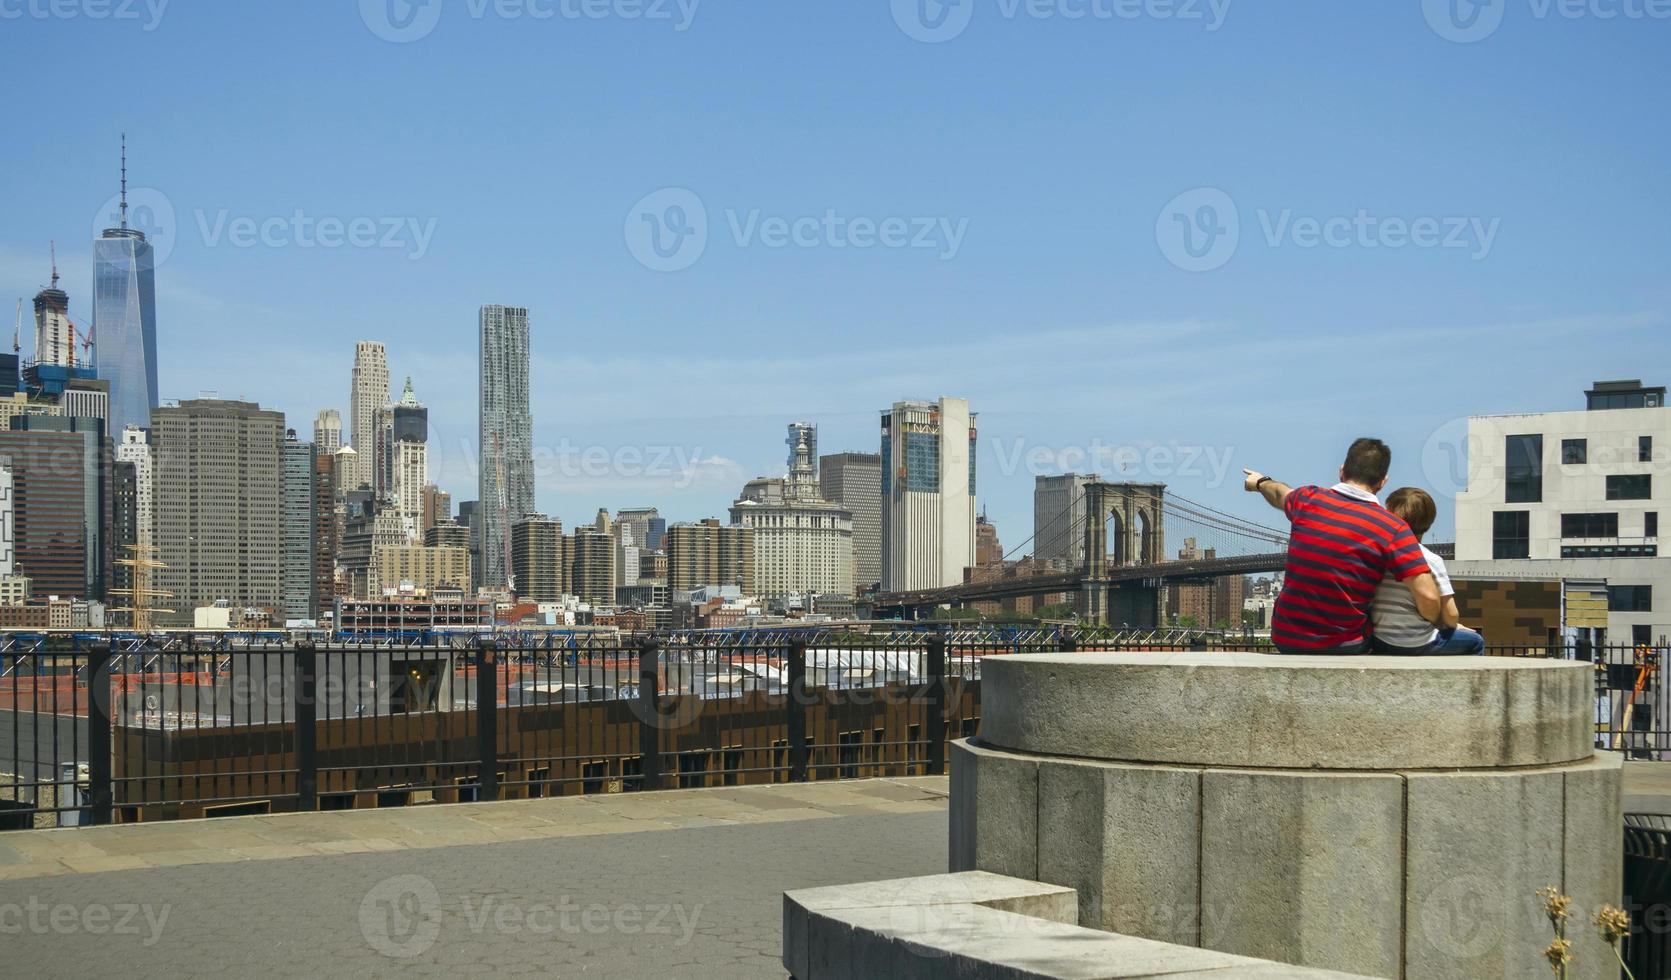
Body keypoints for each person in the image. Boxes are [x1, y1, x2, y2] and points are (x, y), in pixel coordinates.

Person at [1243, 438, 1441, 655]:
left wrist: (1260, 482)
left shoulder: (1307, 499)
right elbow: (1430, 598)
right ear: (1382, 482)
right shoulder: (1393, 528)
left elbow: (1280, 492)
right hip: (1345, 645)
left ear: (1342, 471)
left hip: (1287, 638)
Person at [1370, 488, 1485, 655]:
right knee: (1476, 642)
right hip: (1417, 643)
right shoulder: (1431, 560)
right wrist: (1453, 627)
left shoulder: (1380, 554)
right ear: (1429, 522)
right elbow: (1451, 616)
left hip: (1379, 640)